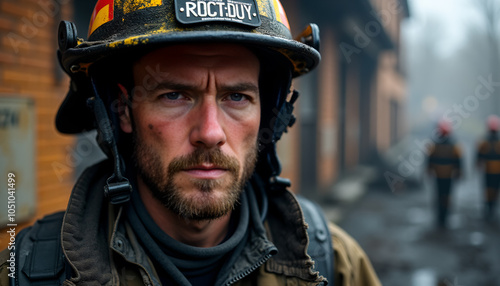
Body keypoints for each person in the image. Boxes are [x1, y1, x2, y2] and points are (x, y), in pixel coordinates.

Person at [0, 1, 381, 285]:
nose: (211, 132)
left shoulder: (332, 263)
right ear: (122, 111)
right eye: (174, 95)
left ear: (269, 114)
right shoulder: (24, 273)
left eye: (237, 97)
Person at [427, 120, 462, 228]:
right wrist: (459, 172)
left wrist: (428, 170)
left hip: (441, 175)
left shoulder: (434, 144)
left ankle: (441, 217)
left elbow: (429, 160)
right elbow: (459, 161)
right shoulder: (453, 144)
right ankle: (443, 216)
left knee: (440, 195)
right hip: (446, 175)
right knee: (445, 196)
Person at [476, 115, 500, 222]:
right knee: (491, 191)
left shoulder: (484, 141)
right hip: (490, 171)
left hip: (491, 171)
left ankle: (490, 209)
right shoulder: (483, 141)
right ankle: (489, 209)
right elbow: (479, 155)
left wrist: (478, 164)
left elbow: (478, 156)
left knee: (491, 191)